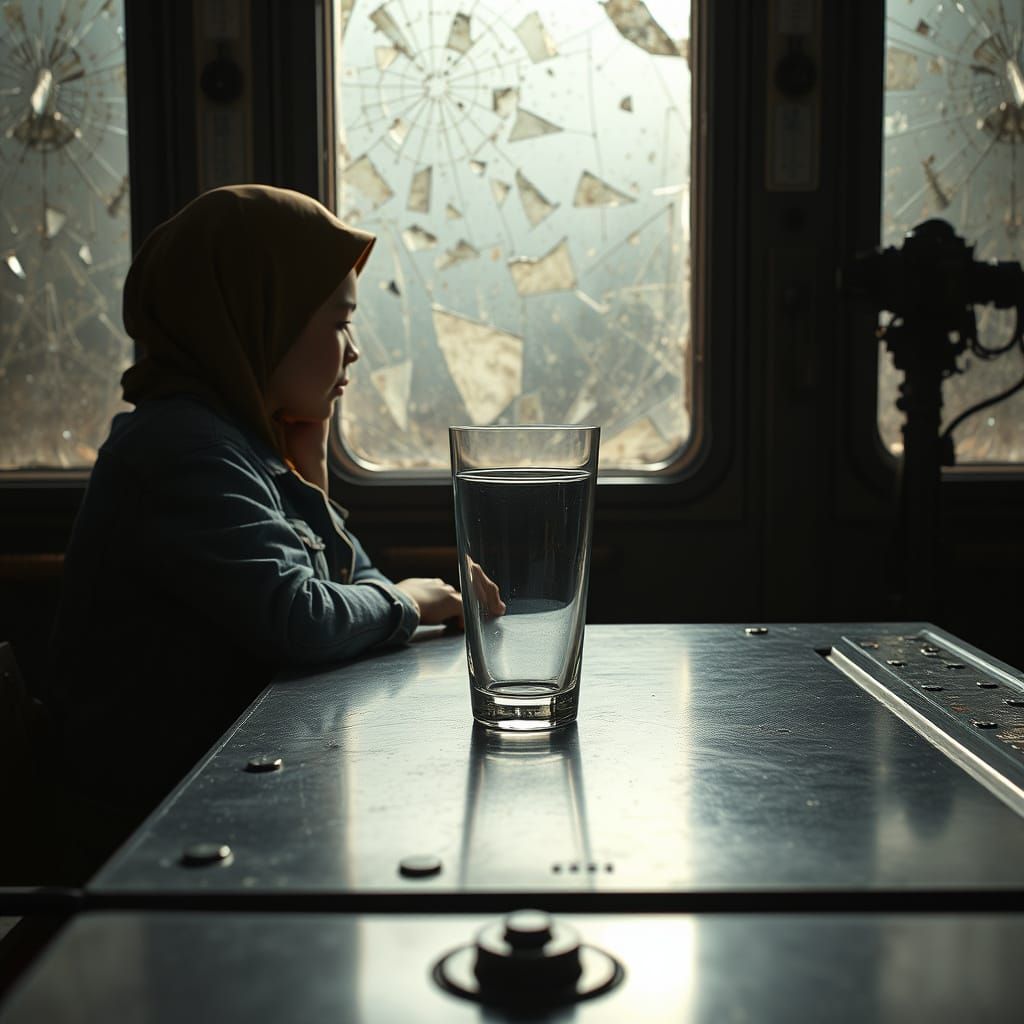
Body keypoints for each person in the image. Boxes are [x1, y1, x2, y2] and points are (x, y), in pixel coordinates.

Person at [45, 185, 463, 874]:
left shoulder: (240, 441)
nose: (353, 351)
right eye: (338, 323)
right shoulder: (183, 448)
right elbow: (298, 614)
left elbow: (347, 581)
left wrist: (311, 461)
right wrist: (411, 602)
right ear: (259, 321)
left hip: (202, 790)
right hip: (135, 828)